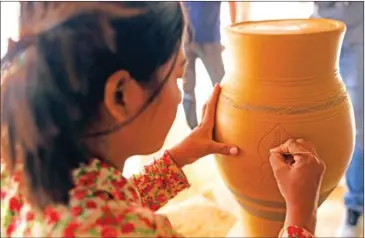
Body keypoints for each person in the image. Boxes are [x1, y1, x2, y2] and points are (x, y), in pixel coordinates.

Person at [0, 2, 325, 237]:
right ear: (121, 95)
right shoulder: (131, 231)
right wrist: (300, 214)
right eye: (177, 76)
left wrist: (180, 157)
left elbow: (107, 203)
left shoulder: (21, 158)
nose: (178, 89)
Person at [312, 2, 364, 237]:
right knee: (315, 115)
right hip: (321, 31)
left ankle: (354, 207)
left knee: (359, 125)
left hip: (358, 34)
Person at [181, 2, 225, 130]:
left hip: (210, 40)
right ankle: (194, 129)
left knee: (221, 87)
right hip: (188, 40)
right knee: (188, 87)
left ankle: (220, 125)